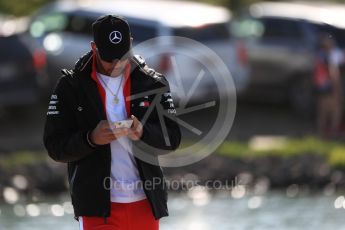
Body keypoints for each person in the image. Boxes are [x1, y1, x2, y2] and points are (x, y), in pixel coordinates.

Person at [43, 15, 181, 230]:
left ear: (131, 43)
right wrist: (90, 139)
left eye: (122, 56)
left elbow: (172, 138)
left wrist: (142, 131)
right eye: (109, 58)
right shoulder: (70, 86)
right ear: (94, 47)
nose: (116, 63)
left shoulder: (151, 82)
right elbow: (55, 147)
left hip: (145, 204)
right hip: (97, 208)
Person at [314, 33, 344, 138]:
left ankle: (321, 132)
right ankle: (333, 132)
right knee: (335, 109)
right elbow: (334, 73)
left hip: (321, 85)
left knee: (323, 109)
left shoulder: (320, 54)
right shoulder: (334, 54)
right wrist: (337, 89)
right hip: (330, 86)